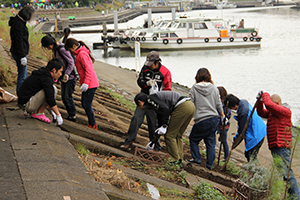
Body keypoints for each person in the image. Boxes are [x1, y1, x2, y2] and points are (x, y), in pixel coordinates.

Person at [120, 51, 172, 151]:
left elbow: (168, 89)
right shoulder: (145, 68)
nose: (150, 66)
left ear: (157, 62)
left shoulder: (165, 72)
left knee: (153, 124)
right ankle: (128, 141)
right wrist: (146, 84)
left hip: (156, 101)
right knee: (136, 118)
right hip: (143, 98)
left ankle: (155, 146)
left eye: (152, 64)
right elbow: (140, 81)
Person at [256, 90, 300, 200]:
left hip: (282, 146)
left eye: (274, 104)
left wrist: (264, 94)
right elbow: (261, 112)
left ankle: (295, 197)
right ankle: (291, 195)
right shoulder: (273, 113)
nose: (273, 106)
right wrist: (259, 102)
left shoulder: (285, 111)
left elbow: (269, 105)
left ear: (278, 103)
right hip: (276, 146)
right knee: (284, 174)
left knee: (287, 174)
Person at [135, 91, 195, 165]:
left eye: (139, 107)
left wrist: (164, 125)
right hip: (190, 106)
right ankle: (179, 160)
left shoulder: (150, 99)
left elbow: (165, 109)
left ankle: (174, 161)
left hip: (182, 106)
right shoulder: (154, 103)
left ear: (140, 102)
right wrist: (154, 140)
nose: (142, 109)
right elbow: (162, 116)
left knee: (169, 135)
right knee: (177, 135)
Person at [187, 68, 225, 170]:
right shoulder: (214, 88)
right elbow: (219, 104)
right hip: (213, 119)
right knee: (210, 143)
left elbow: (190, 102)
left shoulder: (194, 88)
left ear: (197, 76)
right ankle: (209, 165)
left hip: (201, 119)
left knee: (193, 139)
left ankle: (196, 159)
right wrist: (222, 116)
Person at [41, 34, 77, 122]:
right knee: (64, 97)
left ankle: (72, 115)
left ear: (51, 43)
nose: (48, 48)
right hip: (63, 75)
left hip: (70, 76)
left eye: (47, 46)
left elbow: (71, 62)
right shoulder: (55, 49)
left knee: (67, 97)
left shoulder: (61, 49)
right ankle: (71, 114)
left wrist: (67, 74)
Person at [65, 38, 99, 130]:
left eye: (70, 50)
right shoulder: (80, 54)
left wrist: (86, 83)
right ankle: (92, 123)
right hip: (87, 83)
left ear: (74, 46)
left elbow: (89, 70)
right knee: (85, 104)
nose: (70, 52)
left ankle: (92, 123)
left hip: (90, 83)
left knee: (86, 104)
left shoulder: (82, 54)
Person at [17, 58, 64, 126]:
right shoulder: (46, 78)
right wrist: (58, 114)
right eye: (60, 71)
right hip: (27, 105)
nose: (61, 74)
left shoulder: (44, 73)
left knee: (51, 89)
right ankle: (39, 113)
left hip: (26, 101)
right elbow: (50, 97)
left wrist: (52, 110)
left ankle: (37, 112)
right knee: (53, 90)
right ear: (54, 70)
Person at [224, 94, 266, 162]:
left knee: (251, 155)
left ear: (234, 105)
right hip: (261, 129)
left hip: (256, 134)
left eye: (230, 108)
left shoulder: (243, 113)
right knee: (248, 154)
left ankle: (255, 170)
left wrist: (235, 139)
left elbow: (241, 130)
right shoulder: (243, 102)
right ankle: (253, 169)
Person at [9, 5, 35, 93]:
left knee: (23, 74)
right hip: (19, 53)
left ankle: (22, 94)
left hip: (20, 52)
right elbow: (18, 41)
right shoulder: (18, 25)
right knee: (22, 75)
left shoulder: (18, 22)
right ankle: (21, 95)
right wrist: (22, 56)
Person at [216, 86, 231, 161]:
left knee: (221, 140)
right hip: (224, 125)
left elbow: (225, 115)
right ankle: (226, 156)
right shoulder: (226, 102)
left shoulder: (223, 103)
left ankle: (226, 156)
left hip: (221, 125)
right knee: (224, 141)